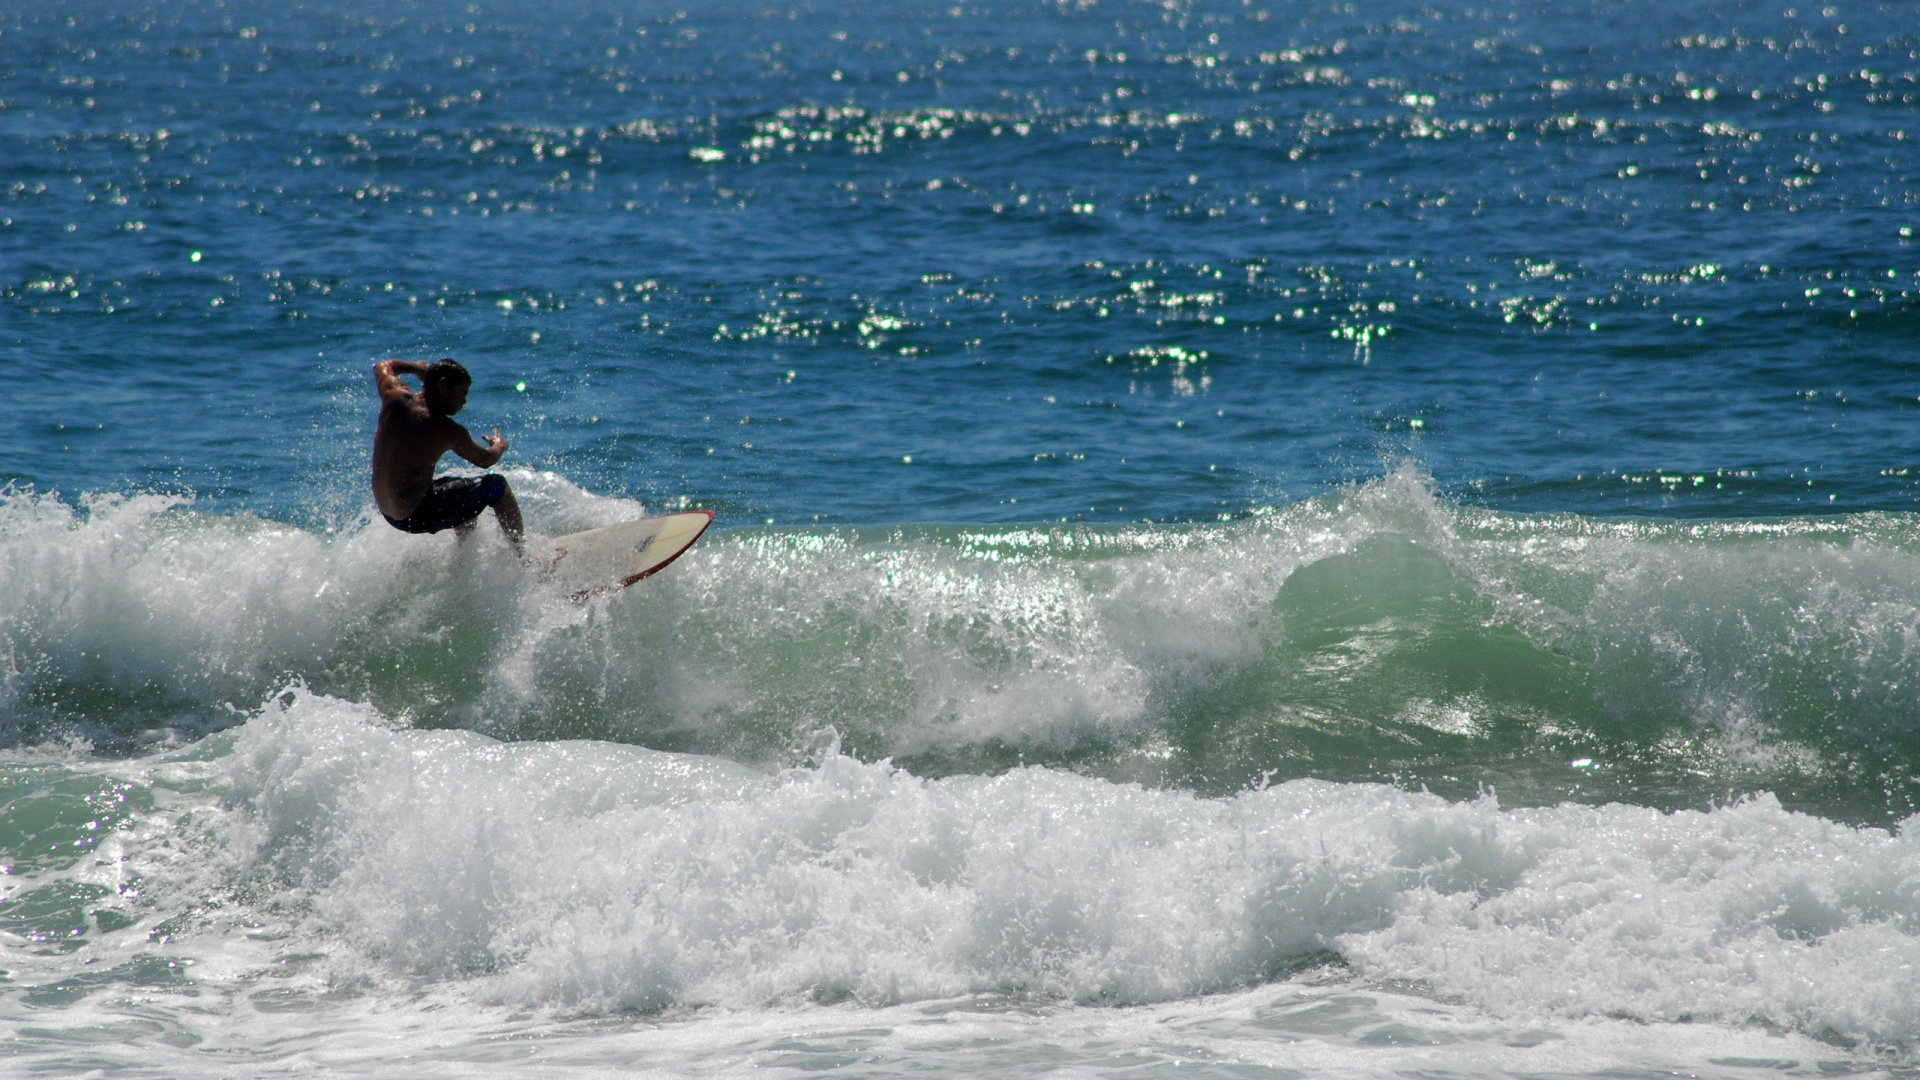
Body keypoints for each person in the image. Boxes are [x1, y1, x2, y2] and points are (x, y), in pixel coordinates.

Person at [371, 357, 524, 554]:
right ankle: (523, 558)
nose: (465, 401)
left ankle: (463, 560)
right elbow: (486, 460)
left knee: (461, 490)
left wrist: (417, 368)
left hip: (388, 511)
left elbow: (382, 366)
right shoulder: (446, 429)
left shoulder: (394, 396)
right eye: (462, 393)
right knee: (497, 486)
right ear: (443, 385)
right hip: (415, 515)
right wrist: (499, 446)